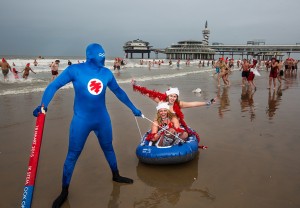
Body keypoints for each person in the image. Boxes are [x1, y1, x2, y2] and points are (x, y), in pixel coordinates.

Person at [33, 43, 142, 208]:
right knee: (72, 155)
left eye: (104, 56)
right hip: (81, 121)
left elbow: (119, 91)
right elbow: (54, 85)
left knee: (109, 148)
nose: (104, 60)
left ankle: (116, 175)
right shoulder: (74, 70)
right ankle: (64, 191)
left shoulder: (106, 73)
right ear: (91, 57)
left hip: (102, 119)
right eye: (101, 57)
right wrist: (44, 104)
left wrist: (134, 109)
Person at [131, 82, 216, 147]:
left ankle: (175, 146)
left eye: (175, 96)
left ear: (177, 97)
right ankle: (162, 145)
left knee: (185, 134)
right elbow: (149, 94)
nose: (173, 98)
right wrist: (136, 86)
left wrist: (207, 103)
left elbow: (193, 104)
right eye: (171, 96)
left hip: (176, 127)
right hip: (164, 126)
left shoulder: (179, 104)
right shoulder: (162, 102)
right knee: (168, 132)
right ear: (168, 96)